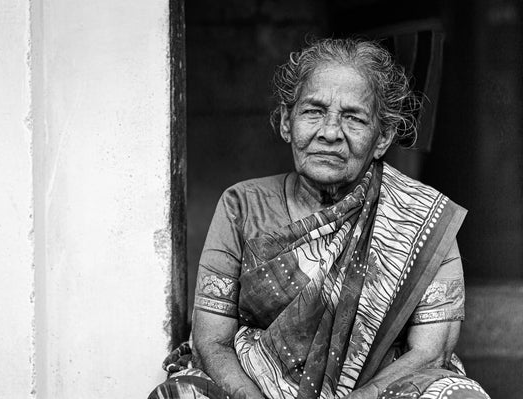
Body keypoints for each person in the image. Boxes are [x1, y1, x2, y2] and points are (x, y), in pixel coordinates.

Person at [149, 38, 490, 399]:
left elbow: (430, 352)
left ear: (383, 137)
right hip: (253, 385)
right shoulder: (241, 206)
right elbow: (210, 341)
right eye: (313, 112)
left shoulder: (423, 219)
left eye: (354, 118)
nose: (329, 132)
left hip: (382, 390)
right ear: (285, 122)